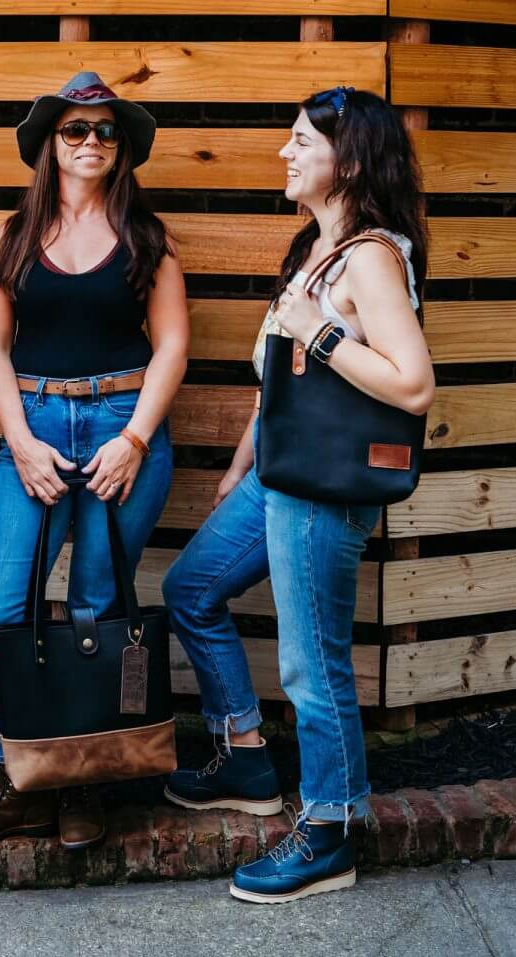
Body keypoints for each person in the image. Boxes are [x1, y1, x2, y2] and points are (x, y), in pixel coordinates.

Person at [162, 87, 435, 903]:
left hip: (323, 491)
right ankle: (245, 753)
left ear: (347, 159)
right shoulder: (315, 251)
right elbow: (284, 380)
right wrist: (241, 462)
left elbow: (413, 385)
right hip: (278, 474)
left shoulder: (371, 258)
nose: (285, 153)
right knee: (192, 587)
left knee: (312, 664)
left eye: (299, 141)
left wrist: (319, 328)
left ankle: (331, 827)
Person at [0, 72, 189, 852]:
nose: (91, 143)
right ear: (50, 144)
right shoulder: (15, 238)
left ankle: (81, 783)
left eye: (105, 132)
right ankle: (13, 780)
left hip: (123, 424)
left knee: (92, 611)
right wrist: (18, 439)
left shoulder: (148, 238)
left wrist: (134, 439)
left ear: (121, 150)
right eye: (75, 131)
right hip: (35, 427)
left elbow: (173, 344)